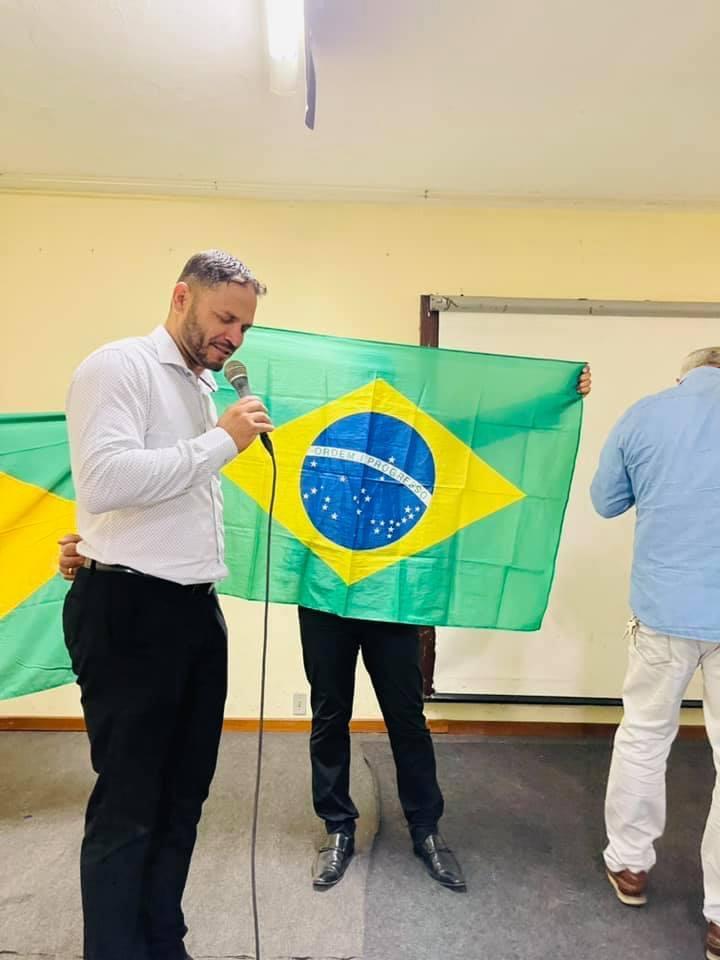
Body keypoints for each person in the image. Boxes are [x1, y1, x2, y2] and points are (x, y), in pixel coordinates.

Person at [61, 348, 592, 895]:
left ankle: (426, 828)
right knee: (329, 713)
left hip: (392, 600)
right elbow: (198, 456)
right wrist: (99, 542)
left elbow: (484, 429)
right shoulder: (304, 431)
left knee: (406, 717)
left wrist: (552, 393)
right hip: (322, 596)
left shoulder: (413, 437)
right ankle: (337, 826)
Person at [59, 249, 273, 960]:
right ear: (182, 297)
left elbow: (154, 501)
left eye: (244, 327)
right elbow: (105, 481)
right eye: (224, 318)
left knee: (184, 796)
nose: (233, 337)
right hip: (130, 612)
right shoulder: (118, 367)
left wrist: (214, 438)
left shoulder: (202, 388)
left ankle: (160, 939)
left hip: (192, 613)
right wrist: (221, 443)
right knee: (130, 803)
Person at [591, 347, 720, 960]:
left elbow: (605, 501)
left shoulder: (648, 413)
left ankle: (631, 866)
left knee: (644, 737)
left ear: (683, 376)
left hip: (664, 611)